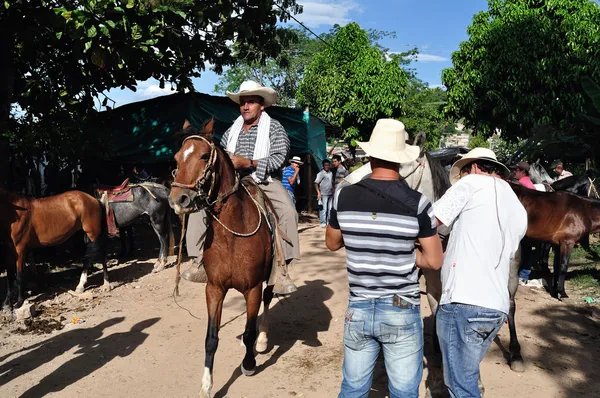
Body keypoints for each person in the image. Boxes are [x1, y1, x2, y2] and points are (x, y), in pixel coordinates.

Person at [326, 119, 444, 398]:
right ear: (401, 160)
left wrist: (362, 241)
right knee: (403, 391)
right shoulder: (419, 203)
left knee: (353, 388)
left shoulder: (343, 196)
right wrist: (404, 252)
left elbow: (332, 243)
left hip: (359, 306)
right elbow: (434, 261)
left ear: (370, 155)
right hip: (401, 306)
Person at [181, 80, 300, 294]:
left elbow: (280, 158)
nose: (245, 106)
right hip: (233, 181)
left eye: (251, 102)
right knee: (199, 206)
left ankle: (282, 271)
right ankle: (199, 261)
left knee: (288, 211)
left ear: (261, 105)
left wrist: (249, 163)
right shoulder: (231, 131)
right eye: (243, 102)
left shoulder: (274, 128)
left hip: (263, 180)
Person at [433, 147, 527, 397]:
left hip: (463, 301)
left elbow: (431, 221)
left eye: (462, 173)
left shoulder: (471, 183)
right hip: (496, 306)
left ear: (473, 167)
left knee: (461, 386)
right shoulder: (514, 199)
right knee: (468, 377)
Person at [314, 159, 333, 227]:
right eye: (325, 165)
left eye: (328, 165)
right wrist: (318, 192)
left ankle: (328, 222)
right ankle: (322, 222)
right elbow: (316, 183)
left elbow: (331, 182)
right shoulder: (321, 173)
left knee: (330, 209)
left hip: (330, 193)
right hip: (323, 194)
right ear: (323, 166)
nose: (327, 166)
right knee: (323, 209)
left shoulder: (330, 173)